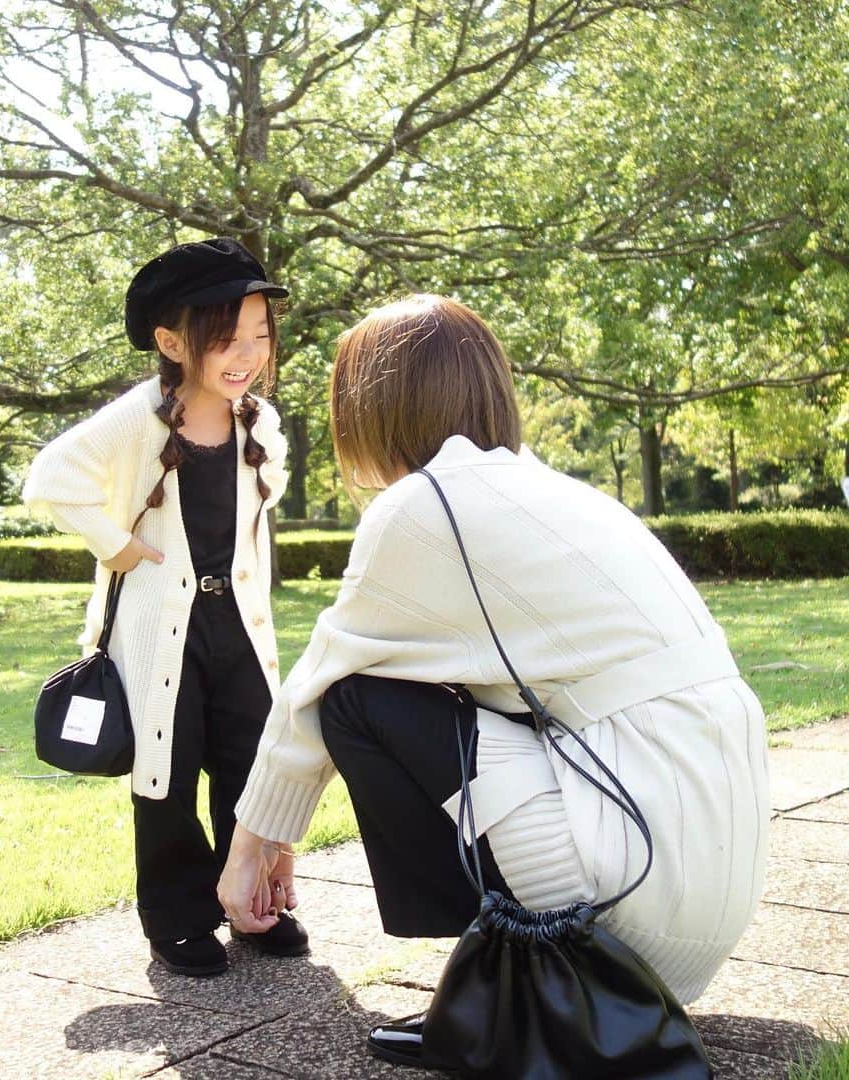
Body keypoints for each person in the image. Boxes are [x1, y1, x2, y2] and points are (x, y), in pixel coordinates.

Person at [219, 294, 768, 1064]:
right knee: (402, 688)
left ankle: (505, 973)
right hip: (702, 889)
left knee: (358, 696)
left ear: (372, 409)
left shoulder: (424, 506)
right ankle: (497, 977)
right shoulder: (563, 494)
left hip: (618, 915)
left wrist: (256, 843)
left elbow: (322, 677)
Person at [24, 237, 309, 977]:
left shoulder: (259, 422)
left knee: (253, 766)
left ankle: (252, 901)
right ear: (172, 341)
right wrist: (114, 544)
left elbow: (258, 508)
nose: (246, 354)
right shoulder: (138, 418)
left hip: (239, 629)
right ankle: (179, 920)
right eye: (225, 339)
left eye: (259, 336)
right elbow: (52, 477)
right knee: (166, 771)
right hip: (162, 634)